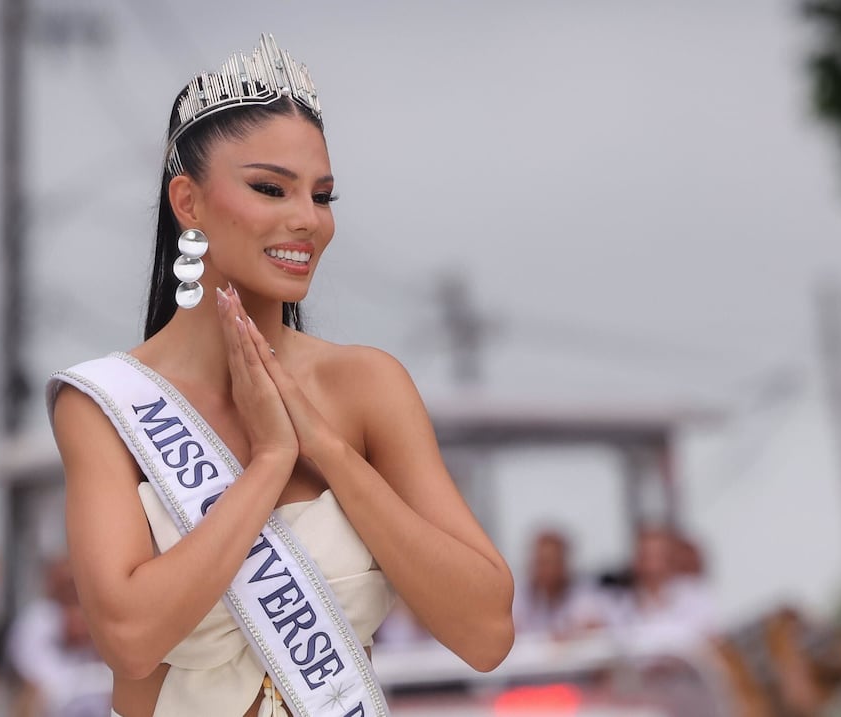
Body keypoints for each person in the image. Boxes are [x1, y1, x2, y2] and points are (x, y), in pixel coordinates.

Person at [46, 34, 514, 717]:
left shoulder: (367, 386)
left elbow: (488, 629)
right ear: (190, 202)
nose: (306, 220)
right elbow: (130, 637)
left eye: (321, 195)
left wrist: (329, 450)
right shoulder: (108, 407)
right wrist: (270, 462)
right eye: (270, 188)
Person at [6, 556, 112, 717]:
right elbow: (36, 686)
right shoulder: (39, 618)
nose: (73, 589)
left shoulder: (104, 618)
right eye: (68, 583)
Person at [513, 529, 607, 639]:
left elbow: (596, 628)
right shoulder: (518, 596)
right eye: (539, 562)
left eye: (549, 562)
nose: (543, 569)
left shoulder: (584, 596)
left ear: (563, 563)